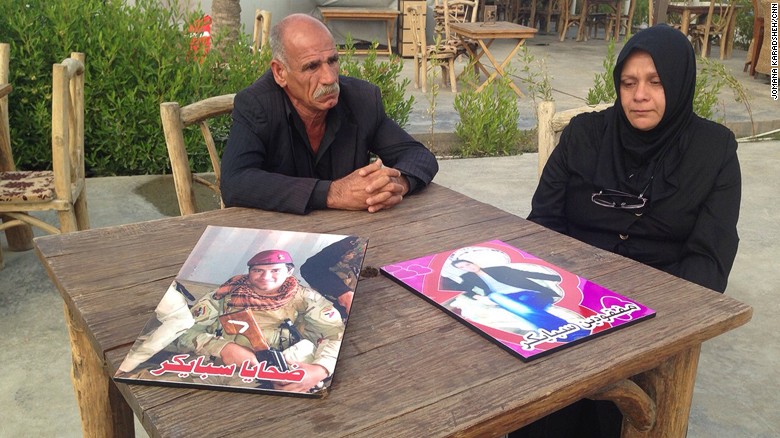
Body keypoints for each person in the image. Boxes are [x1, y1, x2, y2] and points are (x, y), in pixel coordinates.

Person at [520, 24, 741, 437]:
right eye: (629, 82)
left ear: (679, 83)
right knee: (536, 413)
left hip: (654, 319)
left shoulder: (714, 151)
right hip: (566, 306)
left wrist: (637, 319)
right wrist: (563, 302)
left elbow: (709, 262)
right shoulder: (585, 135)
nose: (640, 95)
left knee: (626, 418)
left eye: (656, 82)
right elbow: (542, 227)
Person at [220, 13, 438, 214]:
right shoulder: (257, 104)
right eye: (312, 66)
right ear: (280, 72)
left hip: (355, 234)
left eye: (332, 61)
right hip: (279, 238)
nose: (329, 78)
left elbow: (418, 156)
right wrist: (332, 193)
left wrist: (396, 185)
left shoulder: (361, 100)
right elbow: (235, 182)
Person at [173, 249, 344, 393]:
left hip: (281, 372)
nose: (265, 276)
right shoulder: (225, 294)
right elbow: (182, 332)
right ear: (250, 272)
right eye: (258, 270)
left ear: (289, 272)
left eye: (275, 270)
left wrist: (320, 369)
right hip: (217, 366)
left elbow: (336, 334)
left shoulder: (306, 299)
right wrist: (223, 348)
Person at [448, 259, 588, 340]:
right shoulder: (468, 278)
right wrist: (477, 296)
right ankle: (570, 331)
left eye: (467, 264)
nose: (468, 268)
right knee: (495, 296)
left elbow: (526, 273)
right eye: (462, 267)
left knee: (513, 303)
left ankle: (562, 332)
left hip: (531, 294)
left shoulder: (499, 269)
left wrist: (561, 278)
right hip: (508, 300)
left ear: (472, 262)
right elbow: (464, 289)